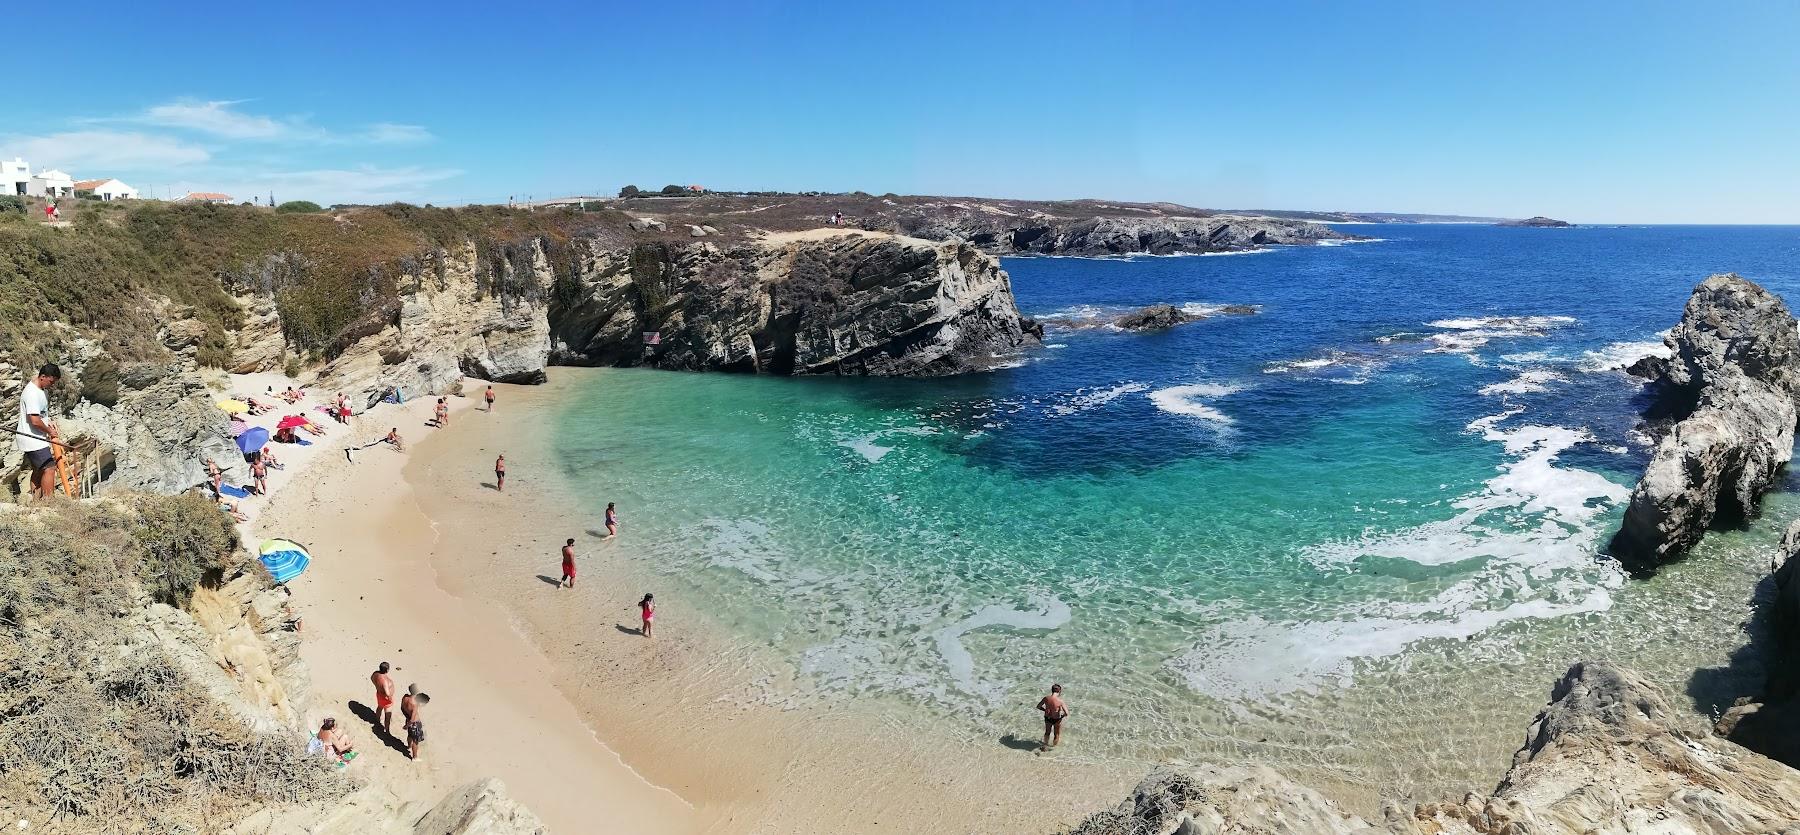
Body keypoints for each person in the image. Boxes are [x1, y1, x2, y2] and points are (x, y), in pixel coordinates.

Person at [16, 363, 62, 499]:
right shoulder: (32, 393)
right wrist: (50, 431)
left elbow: (40, 414)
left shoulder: (41, 389)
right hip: (31, 438)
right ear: (43, 377)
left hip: (36, 437)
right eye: (51, 381)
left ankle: (37, 501)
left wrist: (49, 421)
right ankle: (49, 503)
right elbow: (34, 420)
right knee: (49, 468)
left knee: (38, 469)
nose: (52, 385)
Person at [1036, 684, 1069, 752]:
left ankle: (1045, 746)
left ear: (1052, 690)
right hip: (1057, 719)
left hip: (1048, 718)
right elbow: (1066, 713)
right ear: (1059, 691)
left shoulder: (1046, 698)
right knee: (1056, 734)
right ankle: (1054, 748)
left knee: (1047, 732)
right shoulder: (1060, 701)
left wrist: (1045, 710)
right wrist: (1062, 716)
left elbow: (1038, 706)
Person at [401, 685, 430, 761]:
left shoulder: (405, 697)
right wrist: (407, 726)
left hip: (408, 719)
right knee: (415, 741)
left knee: (410, 735)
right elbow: (413, 719)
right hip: (414, 723)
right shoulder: (415, 703)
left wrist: (407, 718)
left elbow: (402, 708)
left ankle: (409, 746)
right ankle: (415, 757)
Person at [371, 662, 396, 735]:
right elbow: (388, 693)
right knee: (387, 715)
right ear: (387, 670)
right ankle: (387, 730)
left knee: (379, 707)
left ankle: (377, 720)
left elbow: (372, 678)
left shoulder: (376, 674)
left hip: (379, 694)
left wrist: (377, 686)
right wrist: (390, 700)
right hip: (386, 699)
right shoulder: (385, 680)